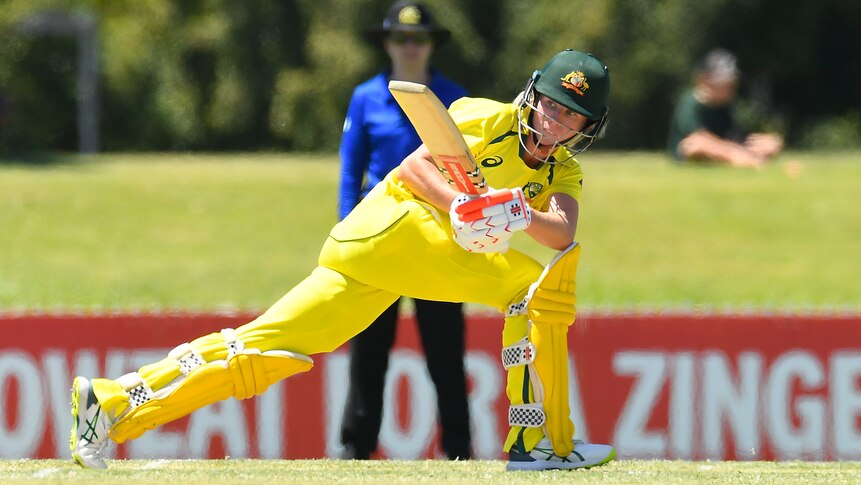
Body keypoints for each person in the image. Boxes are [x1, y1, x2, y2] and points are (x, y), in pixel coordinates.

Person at [70, 48, 616, 472]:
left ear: (588, 129)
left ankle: (113, 402)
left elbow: (562, 232)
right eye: (553, 107)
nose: (556, 125)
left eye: (574, 119)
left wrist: (513, 209)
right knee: (530, 288)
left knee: (266, 349)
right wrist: (463, 209)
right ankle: (537, 442)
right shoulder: (482, 116)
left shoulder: (562, 171)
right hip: (398, 229)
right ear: (532, 96)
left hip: (374, 257)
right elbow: (411, 170)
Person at [338, 1, 471, 461]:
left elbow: (466, 168)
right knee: (369, 350)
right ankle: (356, 451)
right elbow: (350, 171)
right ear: (387, 43)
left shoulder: (454, 97)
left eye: (418, 39)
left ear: (431, 44)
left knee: (445, 351)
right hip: (381, 236)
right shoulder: (365, 97)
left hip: (438, 237)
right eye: (400, 39)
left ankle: (459, 450)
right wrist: (346, 230)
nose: (409, 48)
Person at [667, 48, 783, 168]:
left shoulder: (726, 106)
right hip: (691, 154)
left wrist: (761, 145)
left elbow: (734, 137)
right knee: (698, 145)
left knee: (769, 143)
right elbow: (696, 141)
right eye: (723, 84)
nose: (730, 89)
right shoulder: (691, 103)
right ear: (704, 80)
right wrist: (734, 154)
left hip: (724, 151)